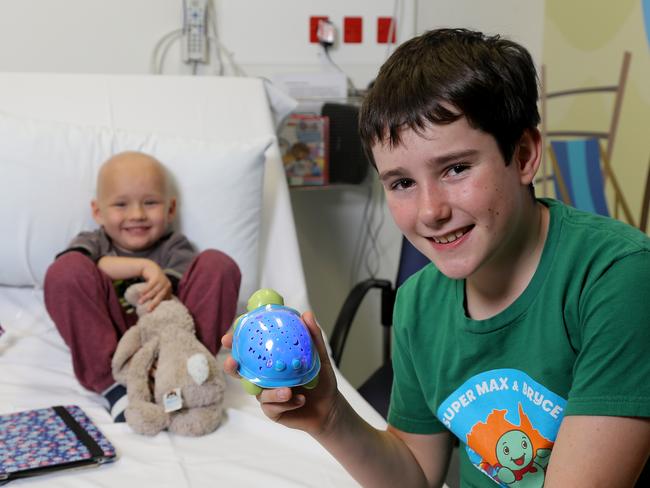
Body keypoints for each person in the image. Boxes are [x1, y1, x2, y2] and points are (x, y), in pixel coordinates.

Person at [222, 28, 650, 487]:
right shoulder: (418, 303)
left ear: (523, 155)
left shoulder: (617, 278)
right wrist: (329, 416)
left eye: (456, 168)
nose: (430, 212)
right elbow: (415, 476)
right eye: (402, 182)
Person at [45, 151, 241, 422]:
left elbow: (173, 298)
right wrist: (143, 268)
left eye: (150, 202)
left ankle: (190, 372)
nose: (136, 214)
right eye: (121, 205)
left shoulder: (175, 247)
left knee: (218, 264)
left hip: (170, 342)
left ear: (170, 209)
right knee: (65, 272)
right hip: (111, 343)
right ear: (98, 212)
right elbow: (73, 268)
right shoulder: (94, 242)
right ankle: (113, 386)